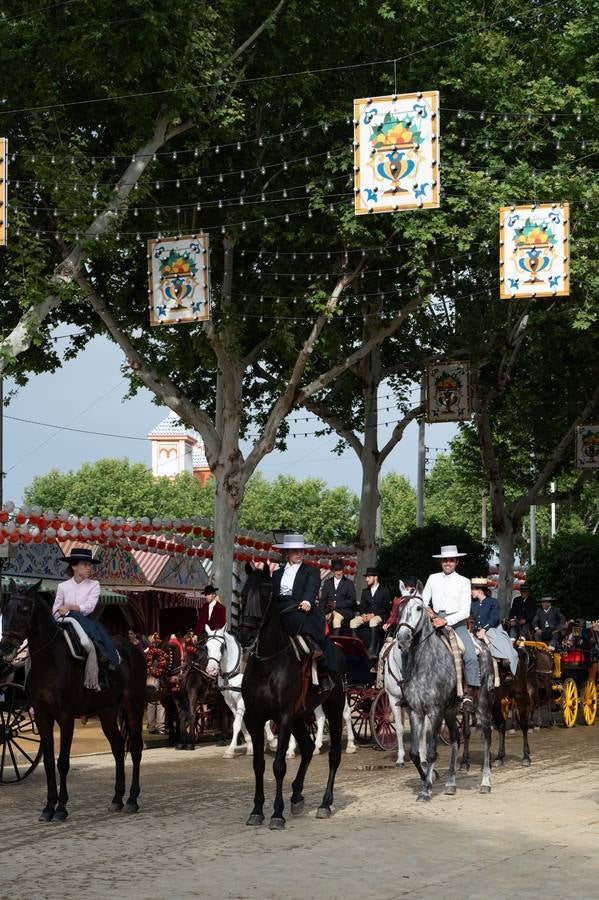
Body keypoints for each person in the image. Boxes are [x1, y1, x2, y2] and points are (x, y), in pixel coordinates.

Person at [271, 533, 337, 692]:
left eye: (301, 550)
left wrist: (307, 600)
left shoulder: (311, 571)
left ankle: (317, 656)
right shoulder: (277, 573)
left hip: (299, 607)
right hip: (279, 607)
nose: (299, 554)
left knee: (294, 616)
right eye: (295, 551)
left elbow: (312, 587)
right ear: (287, 553)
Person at [422, 544, 480, 711]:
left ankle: (469, 693)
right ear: (441, 562)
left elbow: (465, 611)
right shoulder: (432, 578)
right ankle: (410, 688)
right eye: (445, 560)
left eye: (451, 560)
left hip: (456, 624)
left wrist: (445, 620)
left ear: (457, 562)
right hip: (433, 622)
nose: (447, 563)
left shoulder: (463, 581)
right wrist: (429, 611)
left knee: (470, 655)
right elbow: (423, 600)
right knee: (412, 646)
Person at [53, 547, 119, 673]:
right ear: (74, 566)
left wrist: (70, 607)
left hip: (86, 621)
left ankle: (102, 652)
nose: (89, 568)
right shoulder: (62, 586)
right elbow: (55, 610)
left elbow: (89, 607)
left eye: (89, 565)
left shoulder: (94, 584)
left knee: (77, 616)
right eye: (85, 564)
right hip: (64, 621)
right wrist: (62, 612)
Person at [376, 576, 422, 688]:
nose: (410, 590)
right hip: (398, 632)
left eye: (412, 588)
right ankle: (380, 682)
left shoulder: (418, 600)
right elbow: (394, 615)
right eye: (408, 588)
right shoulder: (398, 601)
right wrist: (388, 623)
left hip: (414, 633)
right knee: (382, 653)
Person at [470, 577, 518, 677]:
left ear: (479, 590)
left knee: (502, 645)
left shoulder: (493, 602)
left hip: (492, 629)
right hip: (475, 631)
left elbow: (494, 618)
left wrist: (484, 629)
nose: (471, 592)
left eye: (472, 589)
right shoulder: (472, 604)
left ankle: (506, 669)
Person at [350, 567, 392, 658]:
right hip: (366, 616)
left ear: (375, 577)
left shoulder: (384, 591)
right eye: (366, 577)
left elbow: (386, 608)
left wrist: (373, 614)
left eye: (369, 577)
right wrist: (363, 614)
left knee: (373, 621)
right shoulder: (365, 591)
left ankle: (372, 649)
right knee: (353, 622)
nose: (366, 579)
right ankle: (357, 648)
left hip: (380, 616)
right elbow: (362, 607)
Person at [320, 559, 356, 635]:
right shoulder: (327, 583)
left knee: (336, 620)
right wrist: (321, 611)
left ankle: (335, 643)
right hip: (329, 610)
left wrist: (337, 605)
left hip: (344, 611)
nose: (338, 572)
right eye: (336, 570)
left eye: (340, 570)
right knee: (318, 619)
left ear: (342, 570)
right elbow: (323, 599)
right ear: (333, 571)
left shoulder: (349, 583)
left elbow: (352, 600)